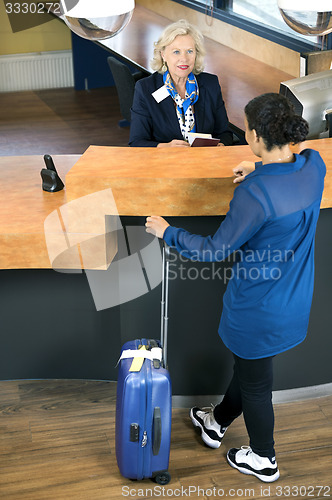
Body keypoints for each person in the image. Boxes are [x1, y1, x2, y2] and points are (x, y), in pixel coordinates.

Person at [145, 93, 326, 483]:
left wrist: (168, 232)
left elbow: (214, 250)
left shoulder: (254, 195)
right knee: (251, 370)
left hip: (258, 306)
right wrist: (260, 166)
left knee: (257, 384)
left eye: (247, 129)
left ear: (258, 135)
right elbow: (296, 163)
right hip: (294, 299)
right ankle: (216, 422)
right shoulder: (314, 166)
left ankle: (265, 458)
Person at [129, 19, 233, 148]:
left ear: (196, 54)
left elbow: (225, 133)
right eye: (176, 52)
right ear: (163, 55)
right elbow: (137, 142)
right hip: (166, 163)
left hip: (205, 161)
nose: (184, 58)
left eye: (189, 51)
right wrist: (165, 147)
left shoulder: (210, 84)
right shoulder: (146, 89)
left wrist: (221, 145)